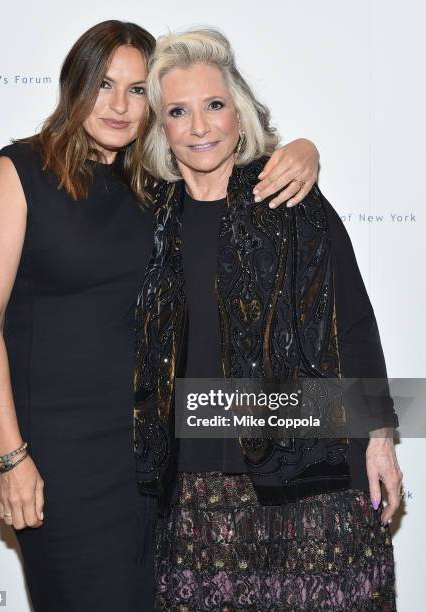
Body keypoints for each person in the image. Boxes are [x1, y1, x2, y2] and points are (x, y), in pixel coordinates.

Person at [0, 20, 319, 611]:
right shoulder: (20, 172)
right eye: (104, 84)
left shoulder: (154, 185)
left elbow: (233, 164)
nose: (119, 106)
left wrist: (303, 152)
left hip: (152, 459)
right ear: (75, 84)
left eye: (135, 90)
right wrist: (11, 458)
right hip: (59, 458)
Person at [133, 28, 403, 610]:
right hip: (196, 487)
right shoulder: (149, 219)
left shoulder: (289, 195)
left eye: (214, 105)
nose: (200, 126)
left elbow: (352, 320)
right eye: (178, 111)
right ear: (161, 127)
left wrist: (380, 439)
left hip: (310, 477)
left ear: (240, 113)